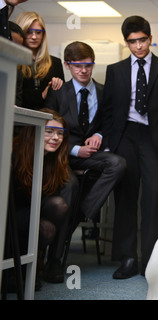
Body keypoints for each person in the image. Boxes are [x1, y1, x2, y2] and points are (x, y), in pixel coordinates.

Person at [102, 15, 158, 279]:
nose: (138, 46)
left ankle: (150, 259)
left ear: (150, 38)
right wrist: (108, 143)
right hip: (125, 136)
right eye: (132, 41)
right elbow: (108, 111)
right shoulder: (115, 70)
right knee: (126, 197)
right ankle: (128, 258)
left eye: (142, 40)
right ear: (126, 42)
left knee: (153, 197)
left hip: (155, 138)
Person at [44, 41, 125, 224]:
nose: (83, 70)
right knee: (70, 186)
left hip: (91, 155)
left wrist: (100, 135)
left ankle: (83, 212)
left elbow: (110, 123)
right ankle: (57, 250)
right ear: (67, 65)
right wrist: (75, 149)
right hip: (62, 155)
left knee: (118, 164)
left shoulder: (104, 92)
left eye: (88, 65)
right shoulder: (57, 93)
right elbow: (48, 130)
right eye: (77, 66)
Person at [11, 108, 73, 284]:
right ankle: (16, 269)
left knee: (56, 210)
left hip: (33, 214)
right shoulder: (15, 152)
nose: (55, 138)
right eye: (50, 132)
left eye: (60, 134)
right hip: (11, 217)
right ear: (35, 131)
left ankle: (28, 267)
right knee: (43, 226)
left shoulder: (54, 161)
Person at [15, 11, 64, 110]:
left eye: (38, 32)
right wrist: (42, 95)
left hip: (47, 120)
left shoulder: (55, 63)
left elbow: (60, 100)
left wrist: (58, 84)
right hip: (19, 120)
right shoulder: (13, 62)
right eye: (29, 32)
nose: (34, 37)